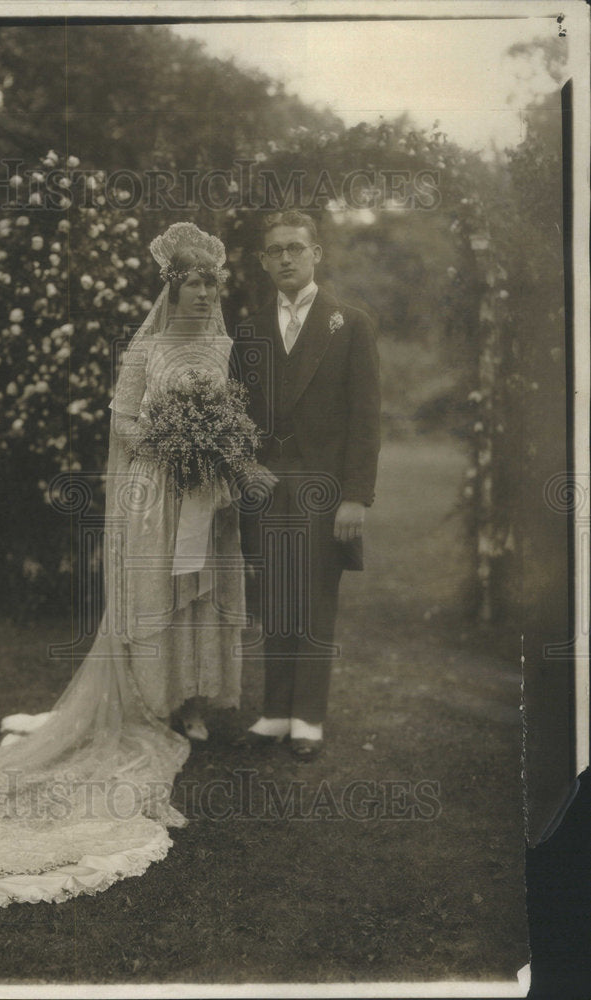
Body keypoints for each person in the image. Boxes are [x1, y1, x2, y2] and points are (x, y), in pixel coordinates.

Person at [0, 223, 246, 905]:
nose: (205, 296)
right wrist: (171, 439)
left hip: (203, 493)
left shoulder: (222, 347)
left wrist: (215, 446)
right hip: (155, 491)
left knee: (199, 592)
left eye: (213, 284)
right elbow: (121, 421)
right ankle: (151, 707)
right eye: (193, 285)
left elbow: (228, 413)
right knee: (155, 591)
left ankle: (192, 699)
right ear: (171, 290)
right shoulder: (146, 349)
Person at [231, 210, 381, 761]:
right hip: (268, 486)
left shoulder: (351, 324)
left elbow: (366, 419)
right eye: (275, 251)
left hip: (325, 487)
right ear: (263, 261)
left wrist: (356, 496)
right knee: (275, 597)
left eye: (296, 247)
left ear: (316, 253)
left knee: (316, 597)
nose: (286, 258)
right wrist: (243, 466)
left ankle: (308, 717)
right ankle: (274, 711)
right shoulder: (249, 329)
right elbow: (235, 413)